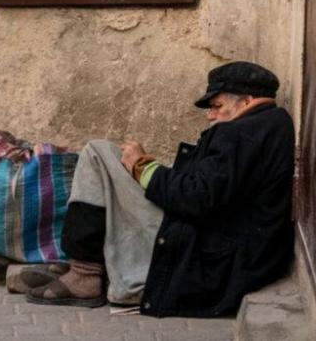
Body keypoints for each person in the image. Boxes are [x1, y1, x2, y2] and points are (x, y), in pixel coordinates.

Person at [24, 61, 296, 318]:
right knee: (106, 157)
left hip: (204, 257)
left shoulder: (241, 133)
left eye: (217, 106)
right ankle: (88, 265)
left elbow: (196, 198)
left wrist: (143, 167)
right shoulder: (266, 125)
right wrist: (148, 170)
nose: (210, 115)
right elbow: (211, 189)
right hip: (217, 248)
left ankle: (85, 273)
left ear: (247, 101)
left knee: (98, 154)